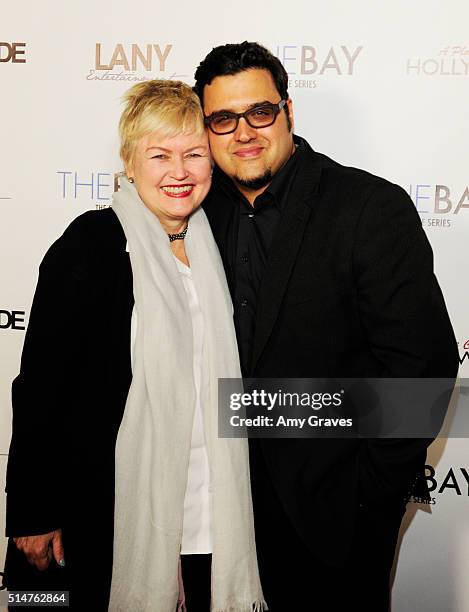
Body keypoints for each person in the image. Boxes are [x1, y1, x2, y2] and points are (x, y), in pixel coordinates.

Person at [193, 42, 459, 611]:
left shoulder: (367, 208)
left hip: (333, 529)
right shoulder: (188, 210)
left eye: (260, 112)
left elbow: (423, 369)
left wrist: (367, 498)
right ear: (206, 128)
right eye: (223, 119)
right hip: (213, 522)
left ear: (289, 111)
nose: (244, 133)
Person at [4, 79, 266, 612]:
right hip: (113, 502)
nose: (179, 171)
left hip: (212, 510)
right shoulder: (92, 244)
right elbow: (42, 385)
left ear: (212, 164)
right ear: (129, 162)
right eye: (160, 155)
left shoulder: (222, 247)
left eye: (194, 154)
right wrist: (34, 511)